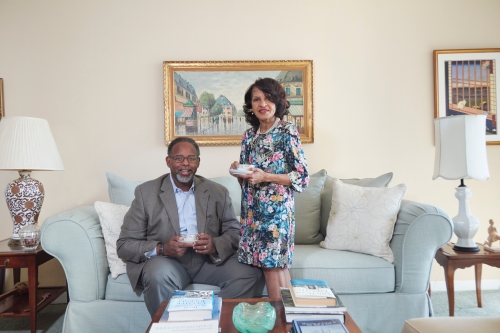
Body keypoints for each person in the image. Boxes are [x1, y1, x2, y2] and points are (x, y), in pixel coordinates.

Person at [117, 137, 263, 317]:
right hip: (168, 262)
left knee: (249, 272)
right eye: (179, 158)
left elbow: (234, 232)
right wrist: (163, 248)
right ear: (168, 161)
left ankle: (213, 323)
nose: (185, 163)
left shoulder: (218, 191)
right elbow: (124, 245)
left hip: (208, 262)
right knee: (157, 275)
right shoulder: (146, 193)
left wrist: (215, 244)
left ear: (198, 162)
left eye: (191, 158)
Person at [229, 78, 309, 299]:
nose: (262, 103)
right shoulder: (248, 137)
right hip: (253, 213)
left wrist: (266, 176)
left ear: (277, 102)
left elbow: (302, 177)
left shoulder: (286, 130)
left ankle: (281, 320)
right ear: (251, 105)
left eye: (267, 98)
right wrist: (237, 171)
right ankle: (289, 318)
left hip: (277, 212)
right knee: (275, 267)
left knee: (273, 266)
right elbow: (247, 179)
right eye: (256, 99)